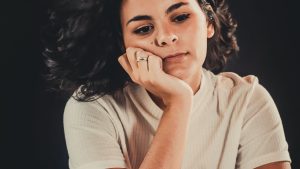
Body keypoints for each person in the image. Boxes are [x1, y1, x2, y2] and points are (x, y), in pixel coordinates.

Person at [42, 0, 292, 168]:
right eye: (143, 29)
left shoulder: (247, 100)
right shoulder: (93, 109)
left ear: (209, 23)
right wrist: (178, 102)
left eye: (181, 17)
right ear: (123, 44)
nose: (164, 37)